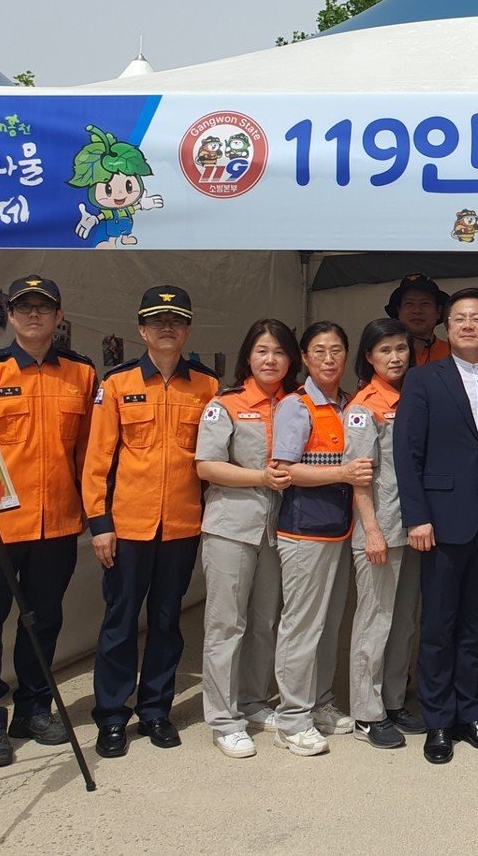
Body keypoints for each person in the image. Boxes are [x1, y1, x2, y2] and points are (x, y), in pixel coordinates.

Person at [0, 275, 98, 768]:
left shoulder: (81, 373)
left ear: (58, 318)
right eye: (23, 308)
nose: (33, 315)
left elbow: (89, 452)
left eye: (43, 308)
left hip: (56, 525)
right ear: (9, 316)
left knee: (43, 622)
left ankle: (33, 709)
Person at [84, 286, 219, 758]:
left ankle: (156, 710)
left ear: (187, 329)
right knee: (120, 622)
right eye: (158, 320)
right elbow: (97, 457)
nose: (167, 327)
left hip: (182, 526)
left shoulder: (207, 386)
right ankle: (113, 716)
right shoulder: (118, 383)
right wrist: (100, 523)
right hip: (127, 526)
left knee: (167, 621)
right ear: (142, 329)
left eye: (176, 320)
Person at [395, 286, 478, 765]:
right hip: (441, 523)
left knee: (476, 625)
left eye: (477, 318)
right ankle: (437, 721)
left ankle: (470, 712)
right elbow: (408, 455)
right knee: (438, 625)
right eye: (459, 319)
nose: (468, 325)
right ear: (447, 328)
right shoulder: (424, 380)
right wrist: (417, 516)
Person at [195, 319, 301, 758]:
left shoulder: (296, 404)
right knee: (226, 624)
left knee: (265, 621)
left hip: (279, 530)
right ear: (247, 357)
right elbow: (206, 465)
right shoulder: (227, 404)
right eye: (261, 351)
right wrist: (260, 476)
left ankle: (255, 701)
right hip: (231, 528)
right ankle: (224, 718)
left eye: (278, 351)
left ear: (290, 359)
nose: (270, 359)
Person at [269, 321, 373, 756]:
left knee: (329, 626)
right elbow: (284, 470)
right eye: (319, 351)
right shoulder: (296, 406)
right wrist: (342, 474)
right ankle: (292, 717)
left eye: (336, 350)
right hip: (304, 531)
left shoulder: (348, 403)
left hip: (339, 529)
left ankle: (320, 703)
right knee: (301, 628)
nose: (329, 359)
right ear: (305, 359)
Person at [345, 318, 426, 749]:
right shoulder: (364, 406)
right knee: (374, 621)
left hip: (411, 526)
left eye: (401, 349)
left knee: (403, 623)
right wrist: (371, 530)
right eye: (385, 351)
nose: (395, 358)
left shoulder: (410, 395)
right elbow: (360, 477)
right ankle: (366, 712)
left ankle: (393, 700)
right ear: (369, 357)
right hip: (380, 530)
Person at [386, 273, 451, 366]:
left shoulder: (453, 354)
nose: (417, 310)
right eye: (409, 304)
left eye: (425, 304)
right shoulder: (385, 354)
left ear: (439, 312)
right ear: (398, 311)